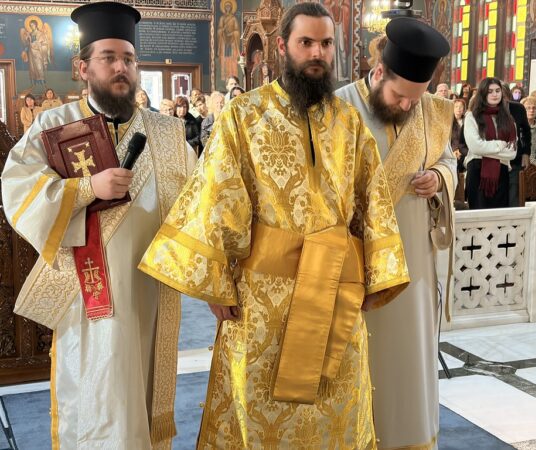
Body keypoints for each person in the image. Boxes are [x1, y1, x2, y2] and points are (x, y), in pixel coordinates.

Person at [139, 3, 409, 447]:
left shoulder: (350, 123)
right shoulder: (244, 115)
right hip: (263, 299)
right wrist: (217, 286)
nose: (317, 52)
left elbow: (373, 204)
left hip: (335, 292)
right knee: (260, 413)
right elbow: (217, 197)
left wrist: (375, 277)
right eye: (306, 42)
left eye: (326, 43)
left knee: (336, 413)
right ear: (282, 47)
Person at [1, 3, 196, 448]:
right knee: (94, 397)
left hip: (150, 292)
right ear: (82, 68)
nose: (121, 67)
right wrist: (89, 188)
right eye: (108, 57)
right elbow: (18, 189)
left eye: (129, 59)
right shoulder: (54, 125)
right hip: (87, 298)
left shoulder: (168, 133)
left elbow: (197, 203)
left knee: (141, 398)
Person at [336, 18, 455, 449]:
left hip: (414, 262)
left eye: (415, 99)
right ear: (379, 72)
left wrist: (438, 178)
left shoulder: (432, 111)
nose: (407, 106)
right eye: (399, 96)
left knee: (411, 357)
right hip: (355, 262)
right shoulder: (339, 108)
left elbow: (447, 159)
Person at [463, 77, 517, 209]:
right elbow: (475, 147)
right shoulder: (472, 116)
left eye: (497, 91)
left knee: (499, 217)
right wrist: (500, 145)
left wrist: (485, 149)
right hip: (477, 171)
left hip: (502, 172)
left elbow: (512, 153)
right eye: (490, 91)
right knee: (478, 216)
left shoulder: (508, 119)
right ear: (483, 93)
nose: (495, 94)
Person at [502, 83, 531, 207]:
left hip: (515, 160)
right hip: (494, 161)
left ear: (508, 96)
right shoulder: (485, 110)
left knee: (513, 199)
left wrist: (526, 152)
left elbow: (526, 131)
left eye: (503, 96)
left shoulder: (518, 109)